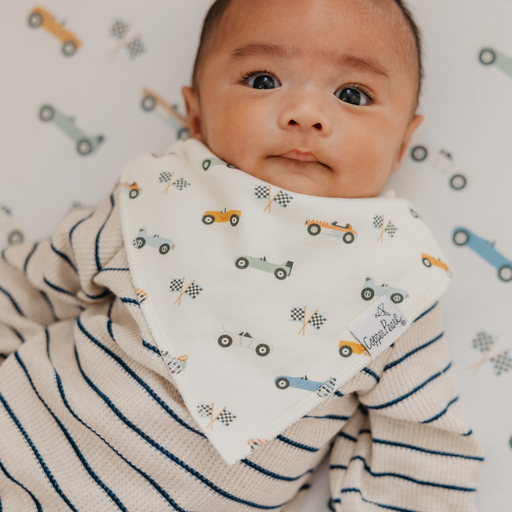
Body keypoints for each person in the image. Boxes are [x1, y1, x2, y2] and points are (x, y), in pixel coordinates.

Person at [0, 0, 483, 510]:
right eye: (262, 80)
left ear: (403, 143)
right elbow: (32, 286)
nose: (305, 114)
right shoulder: (160, 197)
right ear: (196, 115)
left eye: (352, 94)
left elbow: (422, 454)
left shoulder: (396, 285)